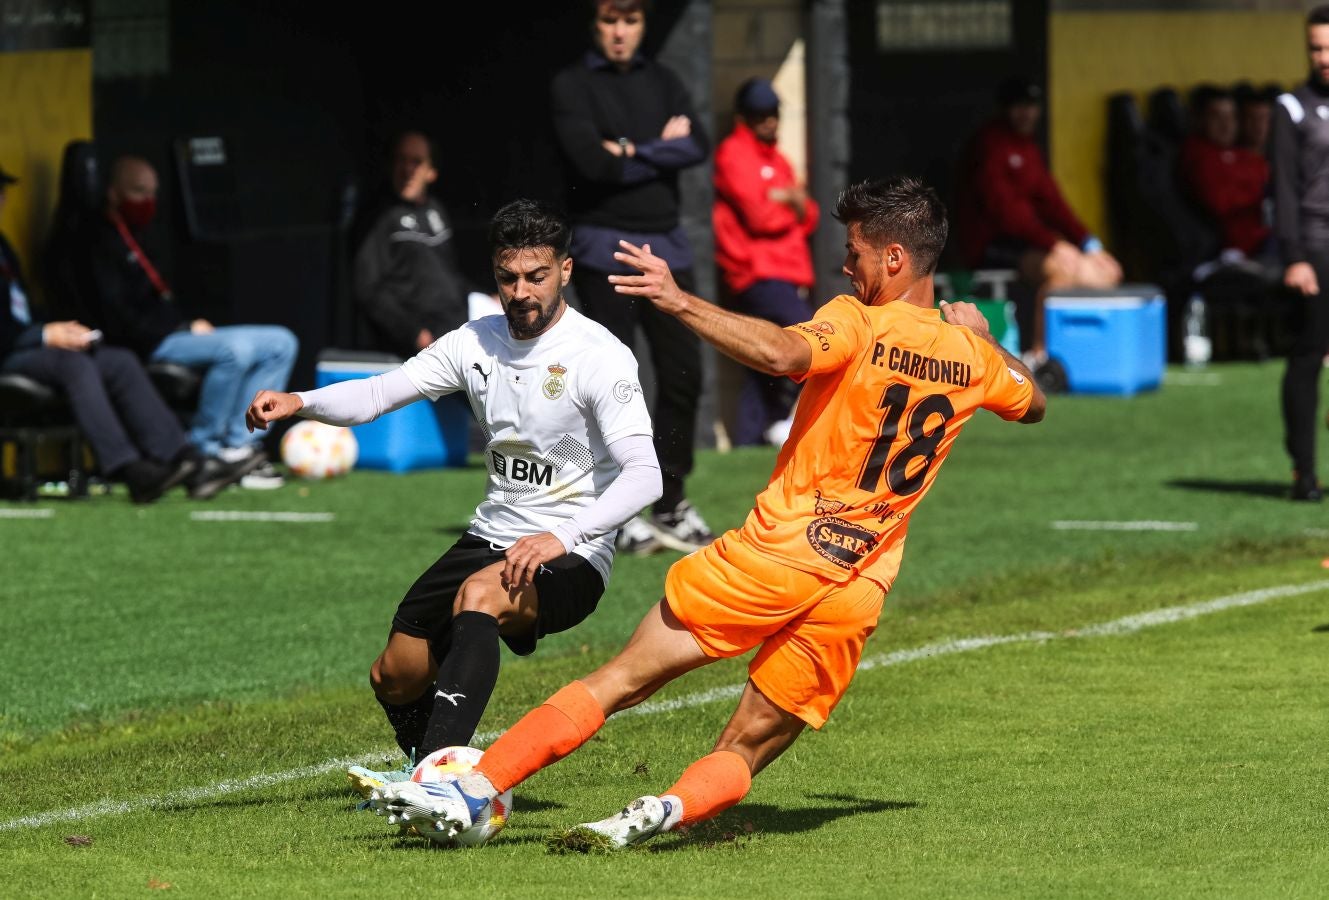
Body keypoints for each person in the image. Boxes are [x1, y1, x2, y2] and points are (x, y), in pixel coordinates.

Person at [365, 176, 1046, 849]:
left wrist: (678, 300)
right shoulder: (971, 355)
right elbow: (1033, 401)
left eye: (855, 251)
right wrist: (985, 340)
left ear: (894, 258)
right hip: (858, 583)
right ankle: (666, 808)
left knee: (618, 680)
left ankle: (472, 786)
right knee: (747, 745)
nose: (846, 266)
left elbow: (781, 353)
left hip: (773, 556)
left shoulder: (859, 320)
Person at [245, 199, 662, 787]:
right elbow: (378, 394)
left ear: (565, 271)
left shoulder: (600, 357)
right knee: (395, 674)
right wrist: (300, 402)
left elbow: (645, 475)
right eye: (508, 278)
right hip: (491, 534)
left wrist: (562, 536)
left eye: (536, 276)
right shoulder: (474, 341)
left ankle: (441, 782)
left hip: (573, 553)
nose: (521, 292)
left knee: (480, 595)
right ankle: (425, 770)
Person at [550, 0, 715, 556]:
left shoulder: (664, 80)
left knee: (685, 373)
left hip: (666, 249)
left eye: (630, 20)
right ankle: (614, 509)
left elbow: (696, 146)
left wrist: (627, 149)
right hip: (603, 246)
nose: (620, 32)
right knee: (615, 381)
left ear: (643, 25)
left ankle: (670, 500)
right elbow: (591, 164)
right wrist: (660, 150)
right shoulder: (572, 85)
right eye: (609, 21)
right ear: (594, 24)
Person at [78, 156, 298, 489]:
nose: (147, 201)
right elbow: (120, 319)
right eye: (138, 191)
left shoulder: (143, 236)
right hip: (147, 341)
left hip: (177, 332)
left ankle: (239, 445)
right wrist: (181, 329)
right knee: (233, 351)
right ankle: (206, 449)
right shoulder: (96, 241)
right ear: (113, 193)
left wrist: (187, 323)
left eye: (152, 193)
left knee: (281, 342)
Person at [0, 165, 208, 502]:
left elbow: (19, 309)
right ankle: (129, 469)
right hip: (7, 352)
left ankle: (181, 457)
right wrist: (42, 336)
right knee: (74, 365)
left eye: (3, 191)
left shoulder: (3, 247)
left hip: (25, 342)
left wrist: (60, 329)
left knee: (118, 361)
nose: (2, 199)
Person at [955, 76, 1123, 368]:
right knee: (1062, 270)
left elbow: (1054, 204)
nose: (1027, 113)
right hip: (991, 243)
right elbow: (1006, 214)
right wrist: (1054, 244)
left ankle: (1081, 355)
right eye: (1019, 106)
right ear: (1005, 109)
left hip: (1029, 241)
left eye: (1031, 106)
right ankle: (1040, 356)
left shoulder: (1029, 149)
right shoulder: (990, 145)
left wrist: (1088, 244)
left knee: (1108, 270)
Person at [713, 77, 819, 447]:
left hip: (786, 272)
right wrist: (791, 202)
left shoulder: (777, 158)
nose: (769, 121)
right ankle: (788, 426)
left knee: (762, 364)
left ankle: (750, 440)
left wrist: (788, 200)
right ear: (742, 118)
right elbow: (760, 217)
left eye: (773, 113)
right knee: (811, 340)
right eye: (760, 115)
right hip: (756, 274)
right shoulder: (733, 153)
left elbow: (811, 215)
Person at [352, 131, 496, 359]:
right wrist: (414, 333)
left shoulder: (436, 210)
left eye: (416, 162)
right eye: (401, 160)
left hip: (456, 330)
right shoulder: (378, 216)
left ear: (431, 172)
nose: (407, 169)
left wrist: (487, 297)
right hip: (417, 345)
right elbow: (369, 289)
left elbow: (447, 276)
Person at [1273, 5, 1329, 501]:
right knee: (1308, 357)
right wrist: (1294, 256)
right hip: (1315, 246)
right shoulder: (1292, 107)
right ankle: (1304, 473)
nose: (1323, 57)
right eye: (1315, 48)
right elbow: (1284, 189)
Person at [1180, 86, 1271, 258]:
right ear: (1199, 119)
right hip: (1240, 251)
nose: (1226, 125)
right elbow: (1220, 202)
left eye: (1231, 117)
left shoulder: (1240, 154)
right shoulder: (1198, 154)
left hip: (1267, 237)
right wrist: (1261, 192)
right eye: (1217, 117)